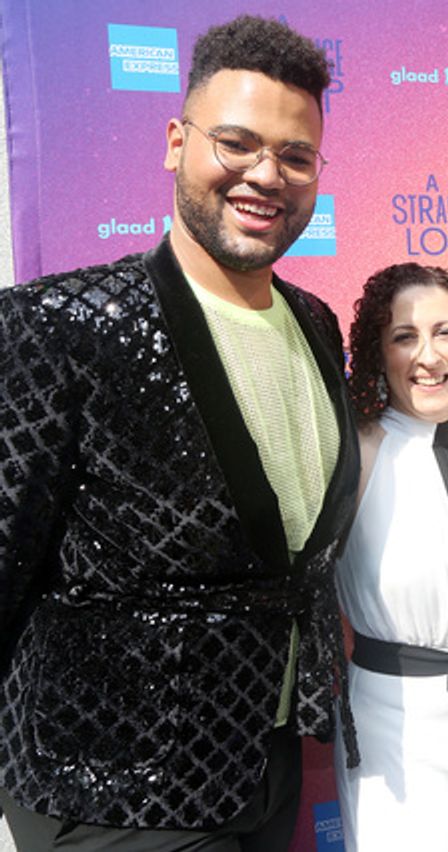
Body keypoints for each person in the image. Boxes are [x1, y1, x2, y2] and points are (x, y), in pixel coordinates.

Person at [0, 16, 358, 851]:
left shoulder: (317, 323)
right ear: (176, 142)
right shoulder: (60, 324)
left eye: (296, 156)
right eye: (236, 142)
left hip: (264, 768)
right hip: (108, 789)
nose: (265, 174)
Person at [334, 263, 448, 851]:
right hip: (393, 726)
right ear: (378, 354)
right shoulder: (354, 450)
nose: (429, 356)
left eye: (445, 333)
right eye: (405, 336)